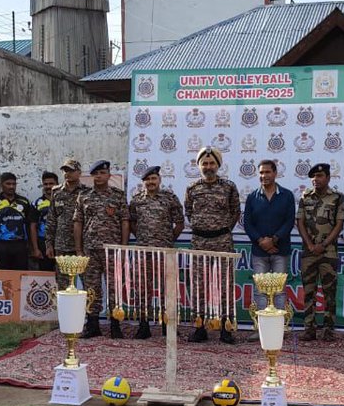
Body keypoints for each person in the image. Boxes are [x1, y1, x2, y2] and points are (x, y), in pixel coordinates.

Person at [185, 147, 241, 344]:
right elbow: (189, 213)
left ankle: (226, 328)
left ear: (218, 165)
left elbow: (235, 212)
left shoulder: (229, 187)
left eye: (212, 163)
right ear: (199, 165)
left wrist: (221, 229)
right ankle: (199, 327)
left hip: (222, 242)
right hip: (199, 242)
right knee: (198, 285)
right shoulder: (192, 188)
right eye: (204, 164)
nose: (208, 167)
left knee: (225, 285)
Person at [127, 165, 184, 339]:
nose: (150, 182)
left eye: (153, 179)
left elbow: (180, 223)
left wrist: (168, 239)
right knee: (142, 289)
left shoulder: (169, 198)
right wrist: (143, 239)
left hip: (165, 251)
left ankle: (168, 325)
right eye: (147, 180)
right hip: (143, 252)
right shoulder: (136, 200)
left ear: (159, 180)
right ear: (143, 182)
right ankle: (143, 326)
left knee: (168, 289)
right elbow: (132, 223)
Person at [75, 160, 129, 339]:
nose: (99, 176)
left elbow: (124, 221)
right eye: (96, 174)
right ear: (92, 176)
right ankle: (93, 324)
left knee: (114, 287)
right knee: (91, 288)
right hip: (90, 249)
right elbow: (78, 222)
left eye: (102, 173)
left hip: (112, 249)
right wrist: (78, 249)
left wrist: (122, 247)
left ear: (109, 175)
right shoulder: (84, 196)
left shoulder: (118, 195)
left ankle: (115, 325)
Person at [296, 163, 344, 342]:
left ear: (328, 178)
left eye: (320, 176)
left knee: (329, 292)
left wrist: (323, 244)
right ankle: (309, 328)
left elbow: (339, 224)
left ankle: (329, 329)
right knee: (308, 291)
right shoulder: (305, 197)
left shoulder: (337, 197)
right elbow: (299, 221)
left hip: (328, 252)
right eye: (313, 177)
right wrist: (310, 244)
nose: (316, 180)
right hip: (309, 252)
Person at [243, 159, 296, 311]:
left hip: (281, 250)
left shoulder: (287, 196)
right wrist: (261, 241)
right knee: (260, 292)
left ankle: (279, 330)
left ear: (275, 173)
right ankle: (259, 329)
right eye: (261, 172)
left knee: (279, 291)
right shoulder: (252, 197)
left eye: (267, 172)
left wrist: (273, 240)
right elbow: (248, 223)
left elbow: (289, 221)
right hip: (259, 252)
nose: (264, 175)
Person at [46, 159, 90, 289]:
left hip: (82, 245)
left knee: (88, 282)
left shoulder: (87, 192)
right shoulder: (57, 191)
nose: (67, 173)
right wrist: (49, 243)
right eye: (65, 170)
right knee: (63, 284)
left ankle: (88, 309)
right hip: (62, 244)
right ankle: (65, 309)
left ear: (79, 172)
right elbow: (52, 218)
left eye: (71, 170)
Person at [0, 172, 35, 270]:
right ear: (1, 185)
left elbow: (29, 225)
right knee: (2, 276)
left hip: (20, 245)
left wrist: (31, 247)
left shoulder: (24, 202)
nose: (11, 187)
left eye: (13, 184)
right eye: (8, 184)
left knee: (20, 275)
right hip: (0, 245)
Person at [34, 171, 59, 271]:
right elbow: (33, 226)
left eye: (51, 183)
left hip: (62, 243)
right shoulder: (36, 203)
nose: (48, 186)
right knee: (45, 273)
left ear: (57, 184)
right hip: (43, 242)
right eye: (45, 184)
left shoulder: (65, 200)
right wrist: (35, 248)